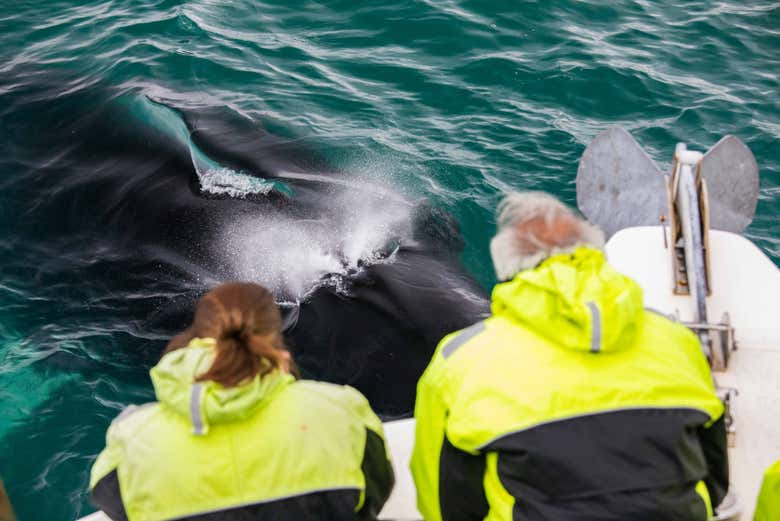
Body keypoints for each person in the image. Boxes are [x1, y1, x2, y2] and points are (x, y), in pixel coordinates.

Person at [410, 192, 728, 521]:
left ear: (506, 262)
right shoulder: (676, 338)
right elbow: (715, 472)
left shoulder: (461, 356)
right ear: (595, 250)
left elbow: (440, 492)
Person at [90, 282, 394, 521]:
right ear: (276, 339)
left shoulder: (133, 436)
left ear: (195, 338)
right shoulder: (339, 410)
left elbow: (114, 503)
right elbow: (376, 489)